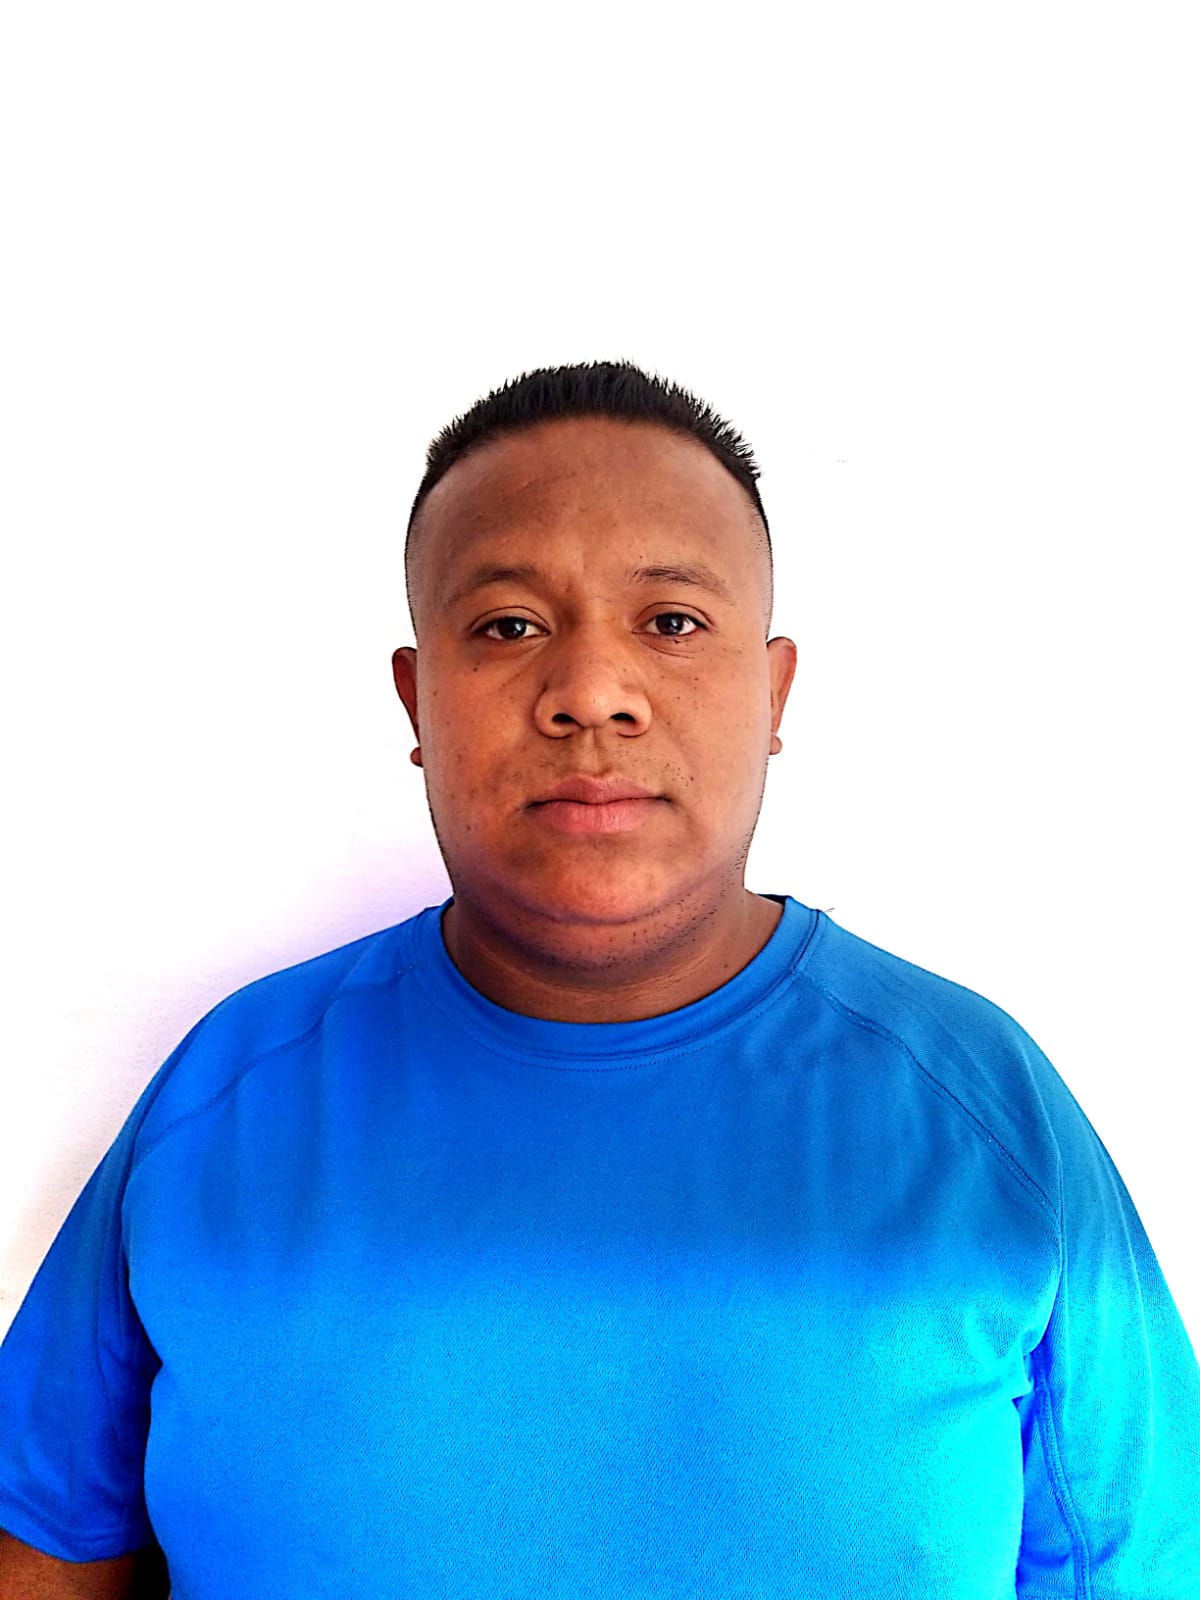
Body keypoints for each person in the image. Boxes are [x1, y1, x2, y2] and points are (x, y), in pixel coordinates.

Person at [1, 359, 1197, 1599]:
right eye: (509, 626)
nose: (590, 695)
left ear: (773, 691)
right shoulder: (227, 1098)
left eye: (671, 622)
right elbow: (45, 1552)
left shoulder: (985, 1114)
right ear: (417, 699)